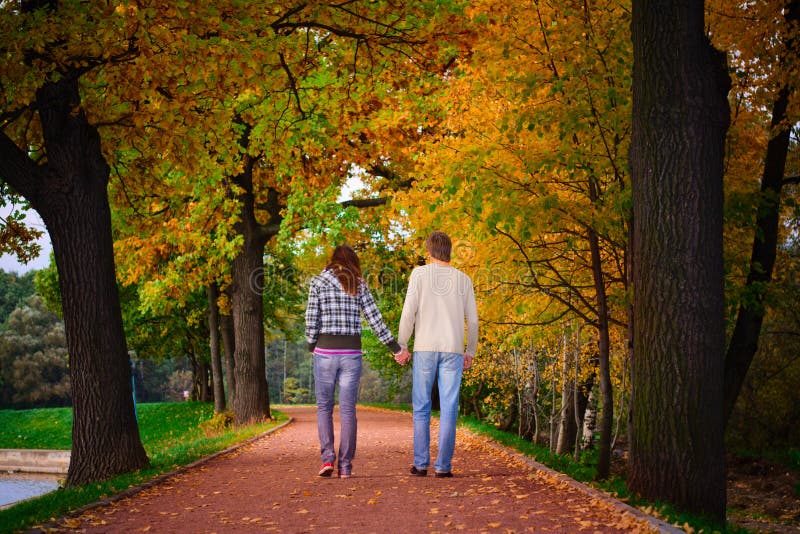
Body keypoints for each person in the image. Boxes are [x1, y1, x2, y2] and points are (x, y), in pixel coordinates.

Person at [305, 244, 403, 479]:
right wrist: (395, 348)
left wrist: (311, 345)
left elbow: (311, 319)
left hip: (325, 353)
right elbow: (374, 318)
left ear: (332, 259)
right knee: (348, 410)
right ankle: (345, 467)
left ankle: (328, 459)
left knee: (324, 408)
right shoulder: (358, 284)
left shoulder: (318, 281)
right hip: (351, 353)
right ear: (352, 262)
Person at [396, 231, 478, 478]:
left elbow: (408, 313)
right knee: (449, 408)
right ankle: (443, 466)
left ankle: (421, 464)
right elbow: (473, 322)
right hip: (453, 349)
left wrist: (401, 345)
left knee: (421, 406)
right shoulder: (464, 280)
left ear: (429, 251)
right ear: (449, 251)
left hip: (424, 348)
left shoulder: (419, 275)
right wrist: (470, 350)